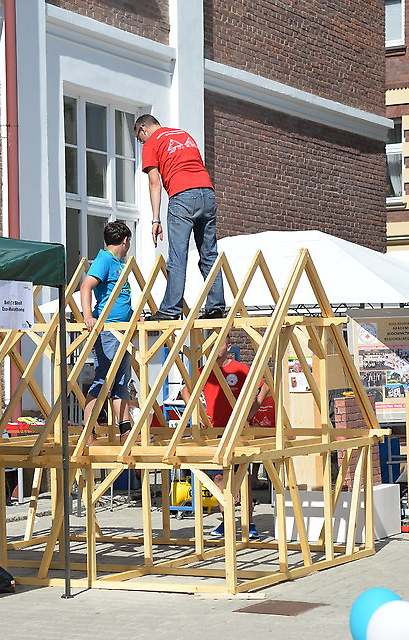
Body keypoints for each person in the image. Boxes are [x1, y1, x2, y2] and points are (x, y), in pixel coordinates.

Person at [135, 114, 226, 321]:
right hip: (207, 193)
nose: (143, 143)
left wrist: (155, 219)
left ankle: (170, 310)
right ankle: (215, 308)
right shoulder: (184, 135)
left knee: (177, 256)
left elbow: (155, 183)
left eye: (140, 139)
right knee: (209, 254)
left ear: (143, 129)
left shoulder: (152, 143)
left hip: (183, 196)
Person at [180, 344, 270, 538]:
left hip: (238, 431)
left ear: (228, 347)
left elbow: (264, 386)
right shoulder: (204, 371)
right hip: (214, 432)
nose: (213, 349)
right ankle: (226, 519)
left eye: (218, 345)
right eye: (211, 345)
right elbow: (185, 391)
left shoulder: (239, 368)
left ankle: (249, 522)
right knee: (219, 478)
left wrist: (251, 412)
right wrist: (197, 414)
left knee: (241, 477)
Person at [81, 220, 134, 440]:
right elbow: (86, 285)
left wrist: (132, 315)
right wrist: (88, 316)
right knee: (103, 380)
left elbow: (120, 297)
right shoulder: (104, 260)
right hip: (109, 331)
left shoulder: (118, 264)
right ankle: (88, 432)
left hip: (123, 329)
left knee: (122, 381)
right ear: (125, 240)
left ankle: (125, 430)